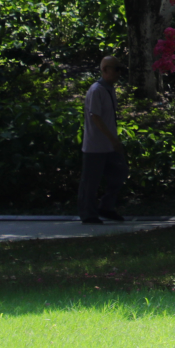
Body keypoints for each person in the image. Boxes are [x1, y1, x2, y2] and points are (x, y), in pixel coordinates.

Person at [78, 56, 127, 224]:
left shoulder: (110, 89)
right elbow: (95, 117)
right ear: (105, 70)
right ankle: (88, 214)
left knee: (119, 174)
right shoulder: (96, 90)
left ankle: (106, 207)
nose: (119, 73)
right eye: (116, 69)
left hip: (110, 144)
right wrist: (113, 139)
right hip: (95, 145)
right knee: (90, 182)